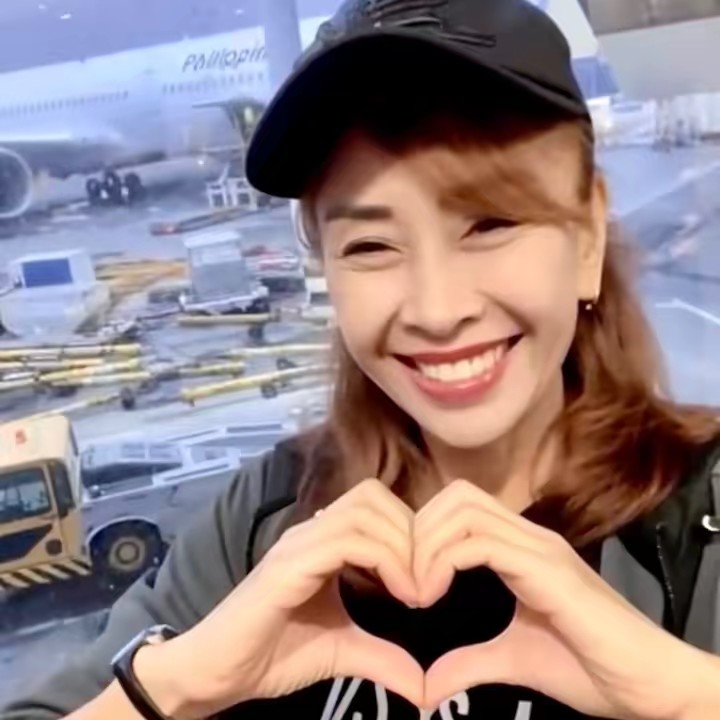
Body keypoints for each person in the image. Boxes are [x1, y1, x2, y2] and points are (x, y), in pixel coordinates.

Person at [3, 0, 720, 718]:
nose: (437, 310)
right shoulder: (268, 517)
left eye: (490, 224)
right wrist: (177, 684)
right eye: (370, 246)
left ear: (588, 236)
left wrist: (690, 696)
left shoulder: (698, 515)